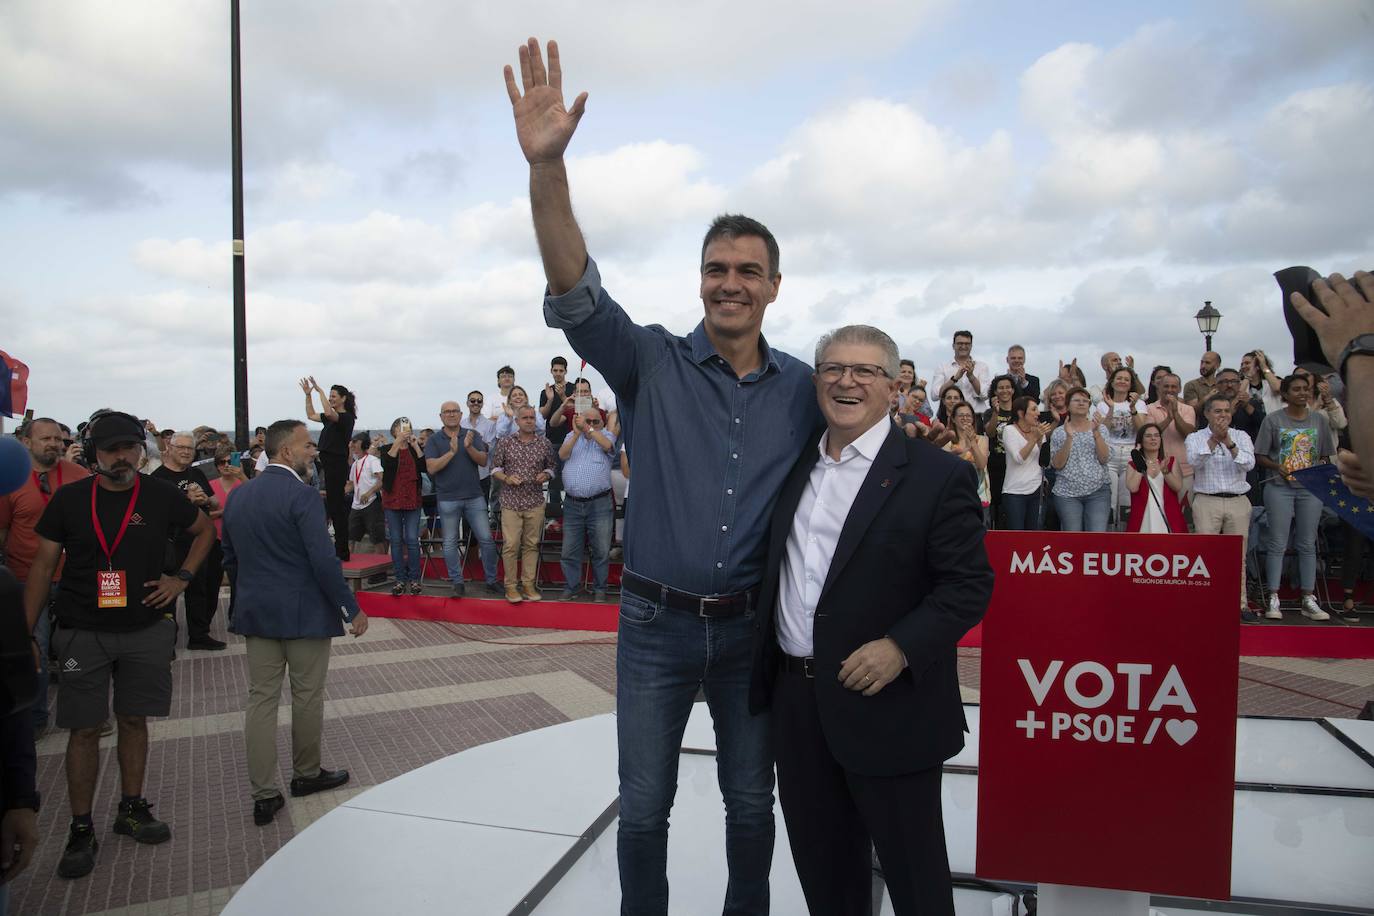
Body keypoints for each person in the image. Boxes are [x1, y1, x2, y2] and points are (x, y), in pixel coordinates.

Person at [507, 37, 822, 914]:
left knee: (753, 806)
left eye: (747, 272)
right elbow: (577, 289)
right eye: (717, 269)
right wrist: (547, 171)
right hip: (653, 627)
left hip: (752, 634)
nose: (731, 283)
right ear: (700, 281)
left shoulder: (804, 388)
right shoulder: (646, 361)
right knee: (644, 810)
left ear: (773, 287)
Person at [750, 325, 992, 916]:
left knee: (916, 884)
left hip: (890, 706)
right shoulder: (788, 467)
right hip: (797, 708)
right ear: (816, 383)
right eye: (834, 368)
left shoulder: (937, 476)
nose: (847, 380)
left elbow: (967, 586)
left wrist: (900, 647)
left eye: (864, 371)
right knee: (827, 877)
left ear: (892, 386)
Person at [24, 411, 213, 878]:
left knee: (133, 720)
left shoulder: (160, 495)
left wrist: (181, 579)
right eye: (111, 449)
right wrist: (25, 635)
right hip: (82, 630)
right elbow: (42, 569)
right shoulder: (70, 500)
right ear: (94, 454)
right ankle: (81, 827)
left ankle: (131, 808)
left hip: (145, 629)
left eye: (130, 447)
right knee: (84, 729)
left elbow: (205, 532)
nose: (123, 456)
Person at [222, 419, 368, 827]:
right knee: (306, 696)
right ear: (286, 452)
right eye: (308, 446)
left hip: (256, 612)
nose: (314, 452)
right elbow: (322, 560)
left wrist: (246, 596)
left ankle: (264, 794)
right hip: (304, 613)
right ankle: (305, 774)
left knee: (261, 701)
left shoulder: (239, 496)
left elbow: (230, 558)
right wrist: (350, 607)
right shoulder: (303, 497)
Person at [0, 418, 91, 730]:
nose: (54, 444)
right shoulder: (11, 479)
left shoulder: (80, 476)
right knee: (33, 644)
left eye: (57, 439)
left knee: (81, 648)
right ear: (26, 442)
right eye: (45, 439)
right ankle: (36, 719)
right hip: (26, 577)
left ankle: (85, 714)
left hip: (74, 577)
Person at [1255, 374, 1334, 621]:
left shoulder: (1319, 420)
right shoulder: (1273, 419)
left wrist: (1316, 466)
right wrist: (1278, 466)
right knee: (1277, 543)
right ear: (1285, 394)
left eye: (1305, 389)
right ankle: (1273, 596)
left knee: (1307, 543)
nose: (1302, 393)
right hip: (1280, 487)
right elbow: (1260, 455)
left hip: (1310, 489)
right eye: (1296, 389)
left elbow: (1325, 456)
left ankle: (1308, 598)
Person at [150, 432, 224, 650]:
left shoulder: (197, 473)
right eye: (180, 447)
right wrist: (184, 500)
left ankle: (199, 635)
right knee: (168, 594)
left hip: (198, 542)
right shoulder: (158, 477)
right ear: (169, 448)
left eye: (189, 449)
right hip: (171, 544)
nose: (185, 452)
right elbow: (155, 513)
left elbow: (214, 501)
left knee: (200, 589)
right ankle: (166, 642)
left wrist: (205, 499)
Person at [1187, 396, 1257, 619]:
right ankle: (1206, 603)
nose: (1223, 415)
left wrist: (1229, 443)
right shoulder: (1196, 437)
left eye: (1227, 411)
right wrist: (1213, 441)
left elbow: (1249, 463)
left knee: (1237, 557)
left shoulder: (1241, 436)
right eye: (1218, 411)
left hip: (1237, 500)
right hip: (1207, 500)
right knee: (1205, 557)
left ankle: (1239, 605)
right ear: (1207, 414)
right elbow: (1194, 462)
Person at [424, 401, 498, 598]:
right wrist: (452, 452)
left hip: (474, 496)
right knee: (450, 542)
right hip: (448, 498)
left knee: (487, 540)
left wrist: (468, 448)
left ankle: (491, 580)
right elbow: (431, 468)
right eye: (447, 412)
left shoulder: (471, 435)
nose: (451, 415)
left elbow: (483, 461)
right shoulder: (434, 440)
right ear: (441, 416)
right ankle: (457, 582)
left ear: (460, 414)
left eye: (454, 411)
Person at [490, 406, 557, 603]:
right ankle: (510, 586)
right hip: (510, 501)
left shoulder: (544, 444)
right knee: (511, 545)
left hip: (534, 500)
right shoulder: (505, 442)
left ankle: (528, 584)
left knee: (531, 544)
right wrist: (506, 478)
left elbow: (552, 466)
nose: (529, 421)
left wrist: (546, 475)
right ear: (517, 421)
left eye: (532, 417)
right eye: (525, 418)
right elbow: (494, 467)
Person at [557, 408, 617, 600]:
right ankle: (572, 586)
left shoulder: (606, 435)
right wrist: (576, 433)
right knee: (569, 550)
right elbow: (562, 455)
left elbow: (608, 446)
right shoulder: (571, 436)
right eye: (587, 421)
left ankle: (600, 589)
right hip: (573, 504)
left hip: (599, 503)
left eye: (595, 421)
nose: (590, 424)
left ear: (602, 422)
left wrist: (589, 430)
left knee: (600, 549)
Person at [300, 377, 356, 561]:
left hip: (336, 464)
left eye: (334, 396)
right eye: (330, 395)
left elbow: (329, 412)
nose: (331, 399)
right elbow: (311, 414)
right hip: (327, 463)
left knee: (337, 506)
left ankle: (342, 550)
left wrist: (321, 392)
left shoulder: (346, 418)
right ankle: (338, 548)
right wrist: (309, 395)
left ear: (343, 398)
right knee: (333, 506)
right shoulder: (330, 419)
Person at [1050, 387, 1112, 531]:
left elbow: (1104, 458)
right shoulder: (1059, 432)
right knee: (1072, 537)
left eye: (1085, 401)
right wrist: (1069, 438)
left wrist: (1096, 434)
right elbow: (1057, 464)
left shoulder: (1101, 429)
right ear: (1068, 405)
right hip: (1067, 493)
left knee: (1097, 534)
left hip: (1098, 491)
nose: (1081, 403)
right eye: (1077, 400)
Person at [1093, 367, 1147, 528]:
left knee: (1126, 501)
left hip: (1131, 454)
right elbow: (1103, 431)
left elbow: (1141, 429)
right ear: (1112, 381)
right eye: (1119, 378)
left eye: (1126, 379)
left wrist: (1133, 409)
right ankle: (1109, 536)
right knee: (1110, 499)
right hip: (1110, 454)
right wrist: (1111, 409)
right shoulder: (1102, 404)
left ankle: (1124, 536)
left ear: (1131, 384)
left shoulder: (1140, 404)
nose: (1122, 381)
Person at [379, 419, 427, 596]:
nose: (405, 431)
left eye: (407, 428)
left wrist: (416, 446)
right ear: (393, 431)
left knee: (412, 540)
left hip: (412, 498)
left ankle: (414, 579)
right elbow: (387, 465)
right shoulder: (386, 450)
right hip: (393, 499)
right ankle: (400, 578)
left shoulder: (415, 450)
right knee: (396, 540)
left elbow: (424, 467)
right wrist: (397, 443)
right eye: (401, 428)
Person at [1143, 373, 1197, 501]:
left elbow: (1188, 433)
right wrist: (1169, 418)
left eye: (1174, 387)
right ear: (1159, 387)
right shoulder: (1149, 408)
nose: (1170, 390)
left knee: (1184, 514)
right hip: (1156, 468)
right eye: (1166, 386)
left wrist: (1176, 413)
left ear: (1179, 389)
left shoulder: (1188, 409)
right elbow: (1150, 433)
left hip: (1185, 469)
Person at [1000, 397, 1050, 530]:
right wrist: (1034, 438)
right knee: (1017, 536)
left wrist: (1040, 439)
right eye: (1033, 409)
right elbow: (1019, 458)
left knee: (1035, 534)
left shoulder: (1039, 431)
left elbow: (1045, 461)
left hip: (1036, 489)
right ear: (1021, 413)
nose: (1038, 413)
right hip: (1014, 491)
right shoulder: (1009, 430)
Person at [1127, 423, 1187, 534]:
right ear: (1141, 441)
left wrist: (1165, 472)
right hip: (1143, 518)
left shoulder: (1171, 461)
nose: (1153, 438)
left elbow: (1177, 487)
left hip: (1168, 517)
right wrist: (1139, 461)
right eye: (1148, 436)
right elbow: (1133, 487)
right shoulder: (1133, 465)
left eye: (1156, 435)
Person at [539, 356, 577, 516]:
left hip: (571, 440)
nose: (558, 373)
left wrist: (562, 396)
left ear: (566, 371)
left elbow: (576, 409)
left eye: (561, 370)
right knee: (554, 479)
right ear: (551, 371)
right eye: (555, 370)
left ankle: (570, 511)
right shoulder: (545, 391)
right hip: (551, 441)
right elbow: (543, 415)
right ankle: (555, 517)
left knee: (570, 477)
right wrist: (550, 399)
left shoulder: (573, 388)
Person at [943, 402, 990, 520]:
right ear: (953, 419)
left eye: (968, 415)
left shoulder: (983, 440)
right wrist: (966, 449)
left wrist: (972, 443)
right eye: (961, 416)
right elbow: (947, 468)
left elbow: (981, 464)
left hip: (979, 496)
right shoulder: (948, 441)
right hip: (954, 496)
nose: (965, 418)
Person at [982, 375, 1016, 528]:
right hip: (995, 465)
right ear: (995, 391)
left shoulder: (1019, 411)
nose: (1004, 390)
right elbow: (989, 433)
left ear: (1013, 390)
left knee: (1010, 507)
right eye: (1000, 388)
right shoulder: (989, 412)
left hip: (1015, 465)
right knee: (995, 505)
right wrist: (996, 413)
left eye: (1007, 387)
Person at [929, 330, 991, 414]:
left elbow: (985, 395)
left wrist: (971, 377)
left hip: (976, 416)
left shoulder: (982, 367)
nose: (963, 346)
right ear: (953, 346)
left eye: (967, 344)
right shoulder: (942, 367)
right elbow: (935, 395)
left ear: (971, 346)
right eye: (959, 343)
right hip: (950, 416)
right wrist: (955, 379)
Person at [345, 433, 385, 554]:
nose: (352, 444)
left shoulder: (373, 461)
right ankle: (349, 566)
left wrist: (368, 493)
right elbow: (352, 484)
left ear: (362, 443)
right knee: (350, 538)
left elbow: (381, 480)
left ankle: (381, 568)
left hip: (371, 503)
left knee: (377, 539)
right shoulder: (356, 464)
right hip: (356, 505)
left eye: (355, 441)